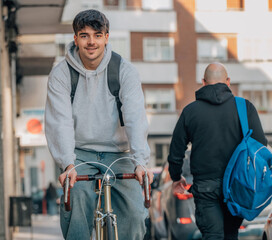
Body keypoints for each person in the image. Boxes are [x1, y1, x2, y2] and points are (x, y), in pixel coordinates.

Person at [45, 9, 154, 240]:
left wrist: (141, 162)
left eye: (97, 35)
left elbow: (135, 116)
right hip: (79, 155)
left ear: (106, 37)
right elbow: (59, 121)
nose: (91, 41)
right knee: (76, 206)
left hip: (121, 154)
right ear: (75, 39)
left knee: (135, 216)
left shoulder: (124, 71)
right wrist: (67, 164)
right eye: (84, 35)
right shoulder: (61, 74)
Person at [168, 62, 268, 240]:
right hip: (238, 186)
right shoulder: (245, 108)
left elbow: (176, 152)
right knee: (231, 234)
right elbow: (260, 145)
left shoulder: (190, 112)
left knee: (212, 235)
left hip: (205, 187)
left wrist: (176, 177)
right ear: (228, 81)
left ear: (203, 82)